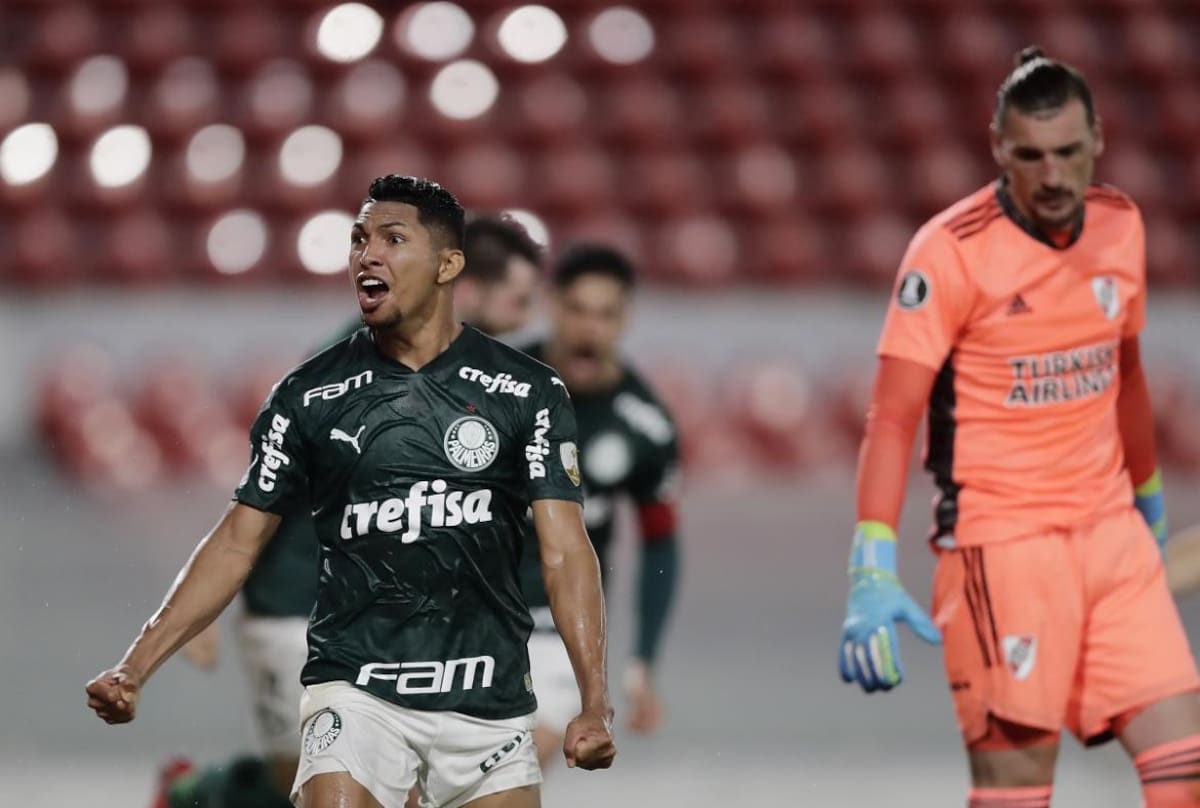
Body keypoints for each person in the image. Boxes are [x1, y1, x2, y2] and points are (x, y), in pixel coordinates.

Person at [87, 175, 616, 808]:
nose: (368, 254)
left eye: (393, 239)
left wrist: (595, 700)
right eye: (359, 239)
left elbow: (565, 551)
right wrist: (136, 664)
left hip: (487, 696)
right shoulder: (309, 393)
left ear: (449, 266)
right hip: (356, 689)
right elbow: (236, 540)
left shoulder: (529, 391)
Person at [837, 48, 1200, 808]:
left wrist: (1150, 503)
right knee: (1018, 794)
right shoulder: (949, 252)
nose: (1053, 174)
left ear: (1098, 139)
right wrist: (872, 563)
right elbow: (893, 417)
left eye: (1068, 152)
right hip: (1003, 549)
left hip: (1111, 538)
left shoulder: (1121, 225)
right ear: (999, 148)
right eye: (1031, 156)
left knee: (1185, 773)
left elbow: (1125, 373)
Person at [170, 212, 545, 808]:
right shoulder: (361, 359)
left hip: (378, 610)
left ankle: (196, 793)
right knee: (335, 780)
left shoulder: (470, 376)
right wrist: (206, 606)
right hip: (301, 600)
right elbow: (268, 472)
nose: (526, 320)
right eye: (518, 301)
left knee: (338, 780)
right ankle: (198, 794)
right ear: (467, 286)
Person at [516, 244, 682, 770]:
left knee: (517, 765)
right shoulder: (498, 388)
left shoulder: (645, 425)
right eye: (578, 310)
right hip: (466, 609)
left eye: (606, 314)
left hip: (557, 625)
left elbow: (661, 543)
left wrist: (643, 659)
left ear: (625, 319)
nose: (590, 329)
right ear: (552, 306)